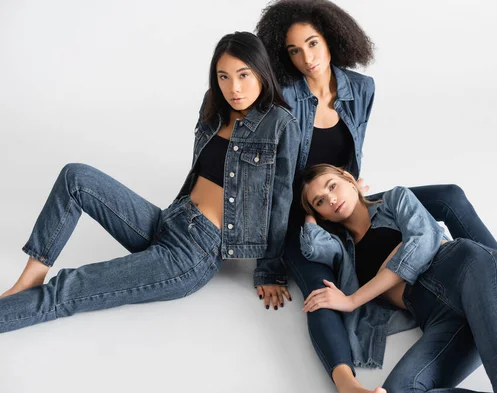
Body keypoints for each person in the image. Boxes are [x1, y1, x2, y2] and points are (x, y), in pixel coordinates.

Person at [255, 1, 497, 393]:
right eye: (293, 50)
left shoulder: (363, 99)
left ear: (331, 38)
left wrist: (344, 194)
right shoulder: (284, 103)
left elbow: (407, 227)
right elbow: (277, 185)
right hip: (436, 312)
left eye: (312, 43)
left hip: (470, 271)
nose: (306, 58)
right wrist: (273, 261)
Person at [0, 32, 301, 333]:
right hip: (169, 219)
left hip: (192, 254)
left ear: (261, 71)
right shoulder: (213, 105)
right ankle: (31, 276)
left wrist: (269, 271)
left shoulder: (280, 124)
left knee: (69, 289)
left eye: (243, 75)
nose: (233, 88)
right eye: (223, 77)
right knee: (75, 177)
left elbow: (280, 203)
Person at [299, 164, 497, 393]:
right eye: (320, 201)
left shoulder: (396, 200)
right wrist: (308, 217)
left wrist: (353, 299)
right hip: (441, 319)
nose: (330, 199)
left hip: (472, 271)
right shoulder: (345, 250)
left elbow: (422, 243)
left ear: (349, 179)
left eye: (332, 186)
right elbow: (311, 247)